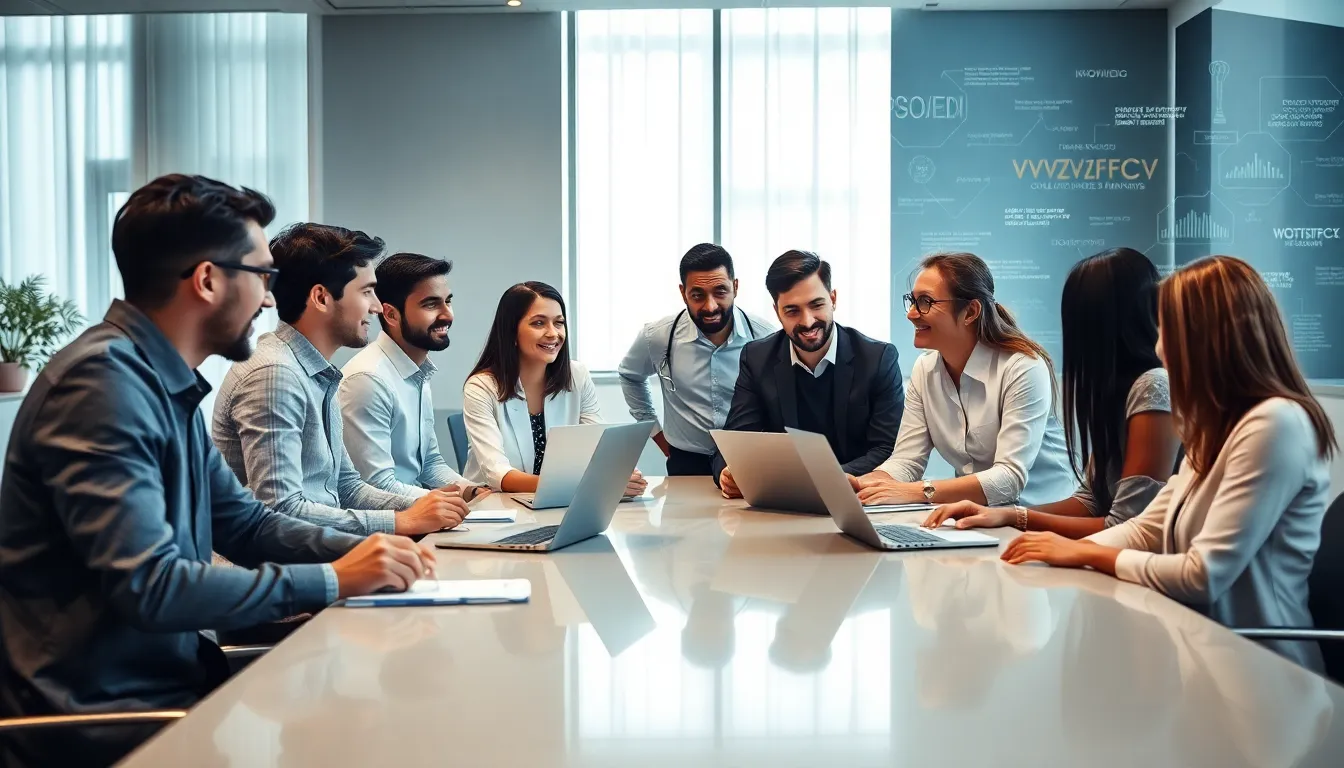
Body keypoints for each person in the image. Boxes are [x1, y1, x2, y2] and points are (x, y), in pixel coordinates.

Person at [0, 175, 436, 768]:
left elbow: (247, 525)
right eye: (261, 277)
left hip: (171, 692)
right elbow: (152, 586)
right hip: (102, 724)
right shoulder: (102, 386)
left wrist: (377, 554)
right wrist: (335, 579)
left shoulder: (160, 382)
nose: (268, 300)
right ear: (207, 280)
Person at [1001, 256, 1336, 671]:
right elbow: (1147, 528)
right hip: (1203, 652)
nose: (1159, 347)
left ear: (1210, 338)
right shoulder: (1215, 429)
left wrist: (1086, 554)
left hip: (1264, 671)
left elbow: (1202, 575)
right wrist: (1063, 548)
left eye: (1169, 331)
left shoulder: (1275, 424)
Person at [213, 223, 469, 537]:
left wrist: (430, 508)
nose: (377, 307)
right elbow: (280, 511)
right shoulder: (275, 374)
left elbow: (347, 486)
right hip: (275, 561)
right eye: (366, 292)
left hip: (316, 548)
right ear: (321, 297)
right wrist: (401, 521)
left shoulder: (319, 372)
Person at [923, 248, 1178, 536]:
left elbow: (1127, 524)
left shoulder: (1153, 387)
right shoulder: (1116, 391)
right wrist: (1002, 515)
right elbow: (1090, 501)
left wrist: (1017, 519)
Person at [853, 251, 1074, 508]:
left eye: (925, 302)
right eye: (912, 301)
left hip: (1045, 513)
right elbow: (906, 461)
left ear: (970, 312)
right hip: (976, 514)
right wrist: (862, 485)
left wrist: (917, 491)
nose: (911, 313)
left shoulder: (1022, 367)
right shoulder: (925, 369)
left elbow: (1009, 479)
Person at [710, 250, 904, 498]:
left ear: (833, 299)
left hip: (857, 496)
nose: (808, 321)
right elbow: (735, 441)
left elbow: (887, 449)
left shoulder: (877, 359)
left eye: (816, 305)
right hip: (781, 504)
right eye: (792, 311)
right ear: (777, 311)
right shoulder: (757, 358)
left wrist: (819, 482)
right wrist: (728, 473)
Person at [462, 281, 646, 496]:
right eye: (538, 323)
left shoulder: (577, 375)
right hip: (495, 503)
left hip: (556, 502)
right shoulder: (481, 387)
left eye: (559, 323)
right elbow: (497, 473)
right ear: (511, 331)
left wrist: (619, 474)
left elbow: (600, 444)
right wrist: (593, 484)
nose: (553, 333)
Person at [338, 252, 488, 500]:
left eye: (447, 301)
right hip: (388, 519)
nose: (447, 314)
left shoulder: (417, 372)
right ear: (391, 314)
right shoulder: (367, 380)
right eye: (431, 304)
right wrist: (446, 503)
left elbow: (429, 463)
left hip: (416, 511)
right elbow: (376, 486)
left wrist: (474, 492)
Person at [618, 243, 774, 476]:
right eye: (697, 295)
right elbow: (630, 376)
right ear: (683, 293)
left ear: (735, 287)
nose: (710, 306)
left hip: (748, 460)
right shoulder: (658, 337)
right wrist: (656, 433)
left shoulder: (765, 337)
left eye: (720, 291)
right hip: (686, 462)